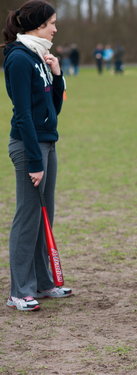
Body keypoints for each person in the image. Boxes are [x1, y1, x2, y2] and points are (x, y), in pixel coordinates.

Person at [2, 0, 73, 312]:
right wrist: (33, 161)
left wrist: (56, 76)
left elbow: (51, 110)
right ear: (36, 25)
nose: (55, 29)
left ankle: (44, 284)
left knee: (46, 215)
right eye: (51, 23)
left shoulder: (38, 57)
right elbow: (23, 114)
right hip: (29, 147)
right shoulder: (18, 59)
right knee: (28, 218)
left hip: (47, 143)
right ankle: (20, 291)